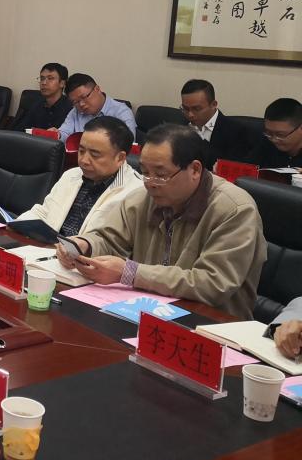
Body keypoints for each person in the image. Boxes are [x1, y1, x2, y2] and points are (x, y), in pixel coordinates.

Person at [55, 124, 266, 319]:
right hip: (144, 310)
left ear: (195, 169)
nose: (150, 183)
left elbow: (212, 284)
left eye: (161, 174)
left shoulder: (234, 209)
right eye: (145, 172)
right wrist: (84, 244)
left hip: (208, 323)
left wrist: (131, 273)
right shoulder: (143, 198)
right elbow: (109, 239)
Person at [17, 116, 143, 236]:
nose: (83, 160)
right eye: (81, 151)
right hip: (47, 246)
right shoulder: (72, 174)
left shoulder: (136, 192)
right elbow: (44, 212)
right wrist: (16, 226)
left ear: (120, 158)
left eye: (95, 155)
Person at [179, 79, 253, 165]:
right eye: (185, 109)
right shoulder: (179, 127)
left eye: (196, 109)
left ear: (213, 105)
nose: (190, 114)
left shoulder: (237, 132)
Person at [56, 73, 136, 141]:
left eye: (84, 97)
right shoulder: (75, 112)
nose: (81, 104)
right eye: (75, 102)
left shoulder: (121, 112)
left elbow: (127, 144)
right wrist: (57, 134)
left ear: (97, 89)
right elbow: (65, 133)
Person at [11, 62, 72, 132]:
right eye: (42, 78)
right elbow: (20, 131)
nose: (44, 83)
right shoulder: (36, 104)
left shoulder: (70, 109)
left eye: (50, 78)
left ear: (62, 83)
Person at [247, 98, 302, 169]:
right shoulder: (266, 142)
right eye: (268, 132)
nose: (274, 139)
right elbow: (247, 167)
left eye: (280, 135)